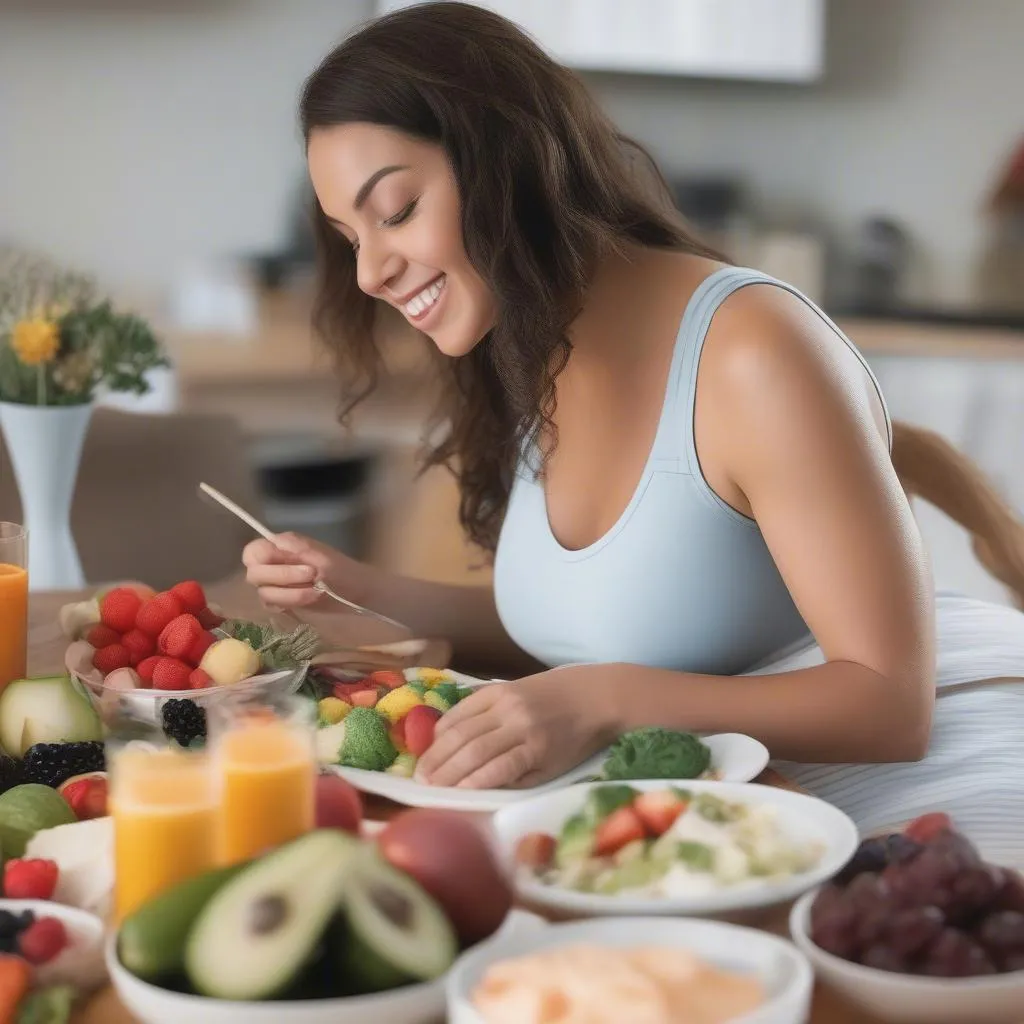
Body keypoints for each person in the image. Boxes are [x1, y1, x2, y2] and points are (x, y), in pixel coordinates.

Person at [243, 2, 1024, 865]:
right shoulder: (537, 341)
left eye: (394, 211)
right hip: (733, 799)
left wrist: (604, 701)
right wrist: (353, 587)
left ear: (508, 157)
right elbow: (587, 632)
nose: (369, 271)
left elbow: (889, 703)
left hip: (923, 799)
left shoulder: (753, 350)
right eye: (348, 236)